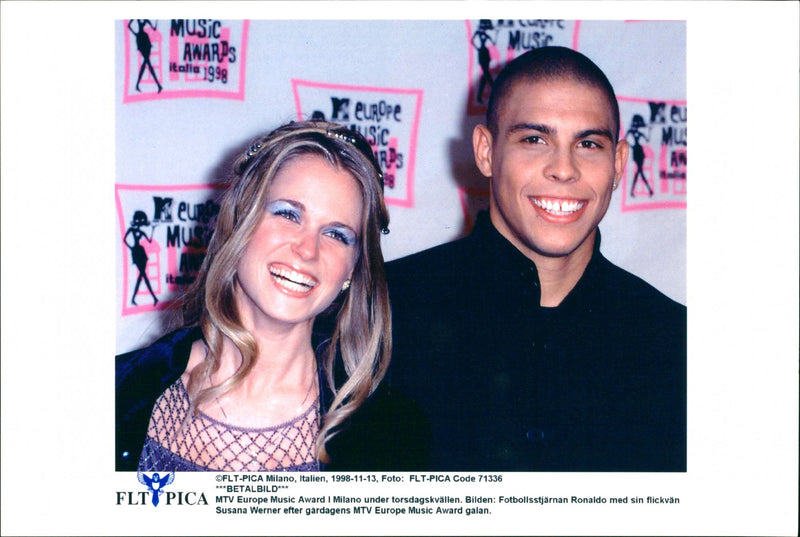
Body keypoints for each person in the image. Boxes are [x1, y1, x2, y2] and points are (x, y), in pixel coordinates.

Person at [386, 47, 686, 471]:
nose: (564, 169)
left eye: (588, 143)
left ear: (619, 164)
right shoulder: (382, 311)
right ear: (486, 152)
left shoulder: (677, 342)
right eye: (534, 139)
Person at [117, 120, 429, 472]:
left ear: (353, 270)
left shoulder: (391, 434)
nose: (308, 250)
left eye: (337, 235)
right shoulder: (117, 393)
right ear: (239, 221)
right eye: (288, 214)